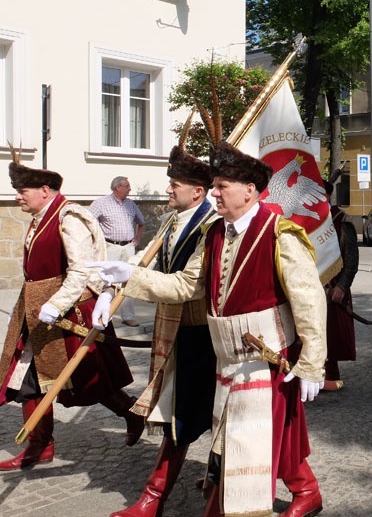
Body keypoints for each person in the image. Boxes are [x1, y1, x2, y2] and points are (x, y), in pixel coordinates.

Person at [91, 140, 327, 517]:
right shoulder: (213, 233)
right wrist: (129, 276)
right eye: (213, 186)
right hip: (225, 358)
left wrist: (313, 363)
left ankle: (283, 497)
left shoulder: (280, 233)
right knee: (239, 442)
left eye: (222, 186)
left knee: (247, 449)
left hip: (265, 362)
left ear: (250, 190)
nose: (214, 193)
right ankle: (307, 491)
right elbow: (185, 285)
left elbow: (309, 302)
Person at [0, 156, 143, 471]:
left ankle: (131, 411)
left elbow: (80, 272)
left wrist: (54, 306)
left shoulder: (68, 218)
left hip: (68, 312)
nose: (17, 196)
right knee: (29, 378)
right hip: (37, 311)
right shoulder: (42, 215)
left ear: (45, 190)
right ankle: (40, 446)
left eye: (23, 189)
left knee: (87, 379)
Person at [105, 146, 218, 517]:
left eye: (174, 184)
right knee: (182, 413)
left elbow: (189, 286)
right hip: (175, 332)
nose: (168, 190)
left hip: (206, 337)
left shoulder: (210, 226)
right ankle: (164, 495)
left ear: (196, 191)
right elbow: (146, 258)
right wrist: (112, 288)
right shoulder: (174, 220)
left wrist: (132, 278)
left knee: (194, 414)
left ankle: (158, 497)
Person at [89, 176, 145, 326]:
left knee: (129, 281)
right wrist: (96, 243)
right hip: (110, 247)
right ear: (117, 187)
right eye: (127, 186)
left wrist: (137, 239)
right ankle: (103, 315)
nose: (130, 189)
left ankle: (128, 316)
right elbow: (88, 222)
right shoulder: (101, 203)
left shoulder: (131, 205)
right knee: (106, 281)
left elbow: (142, 223)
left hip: (128, 248)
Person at [322, 170, 359, 391]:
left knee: (332, 337)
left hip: (333, 289)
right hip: (310, 289)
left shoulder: (341, 221)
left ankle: (331, 377)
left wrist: (342, 286)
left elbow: (351, 261)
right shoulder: (303, 222)